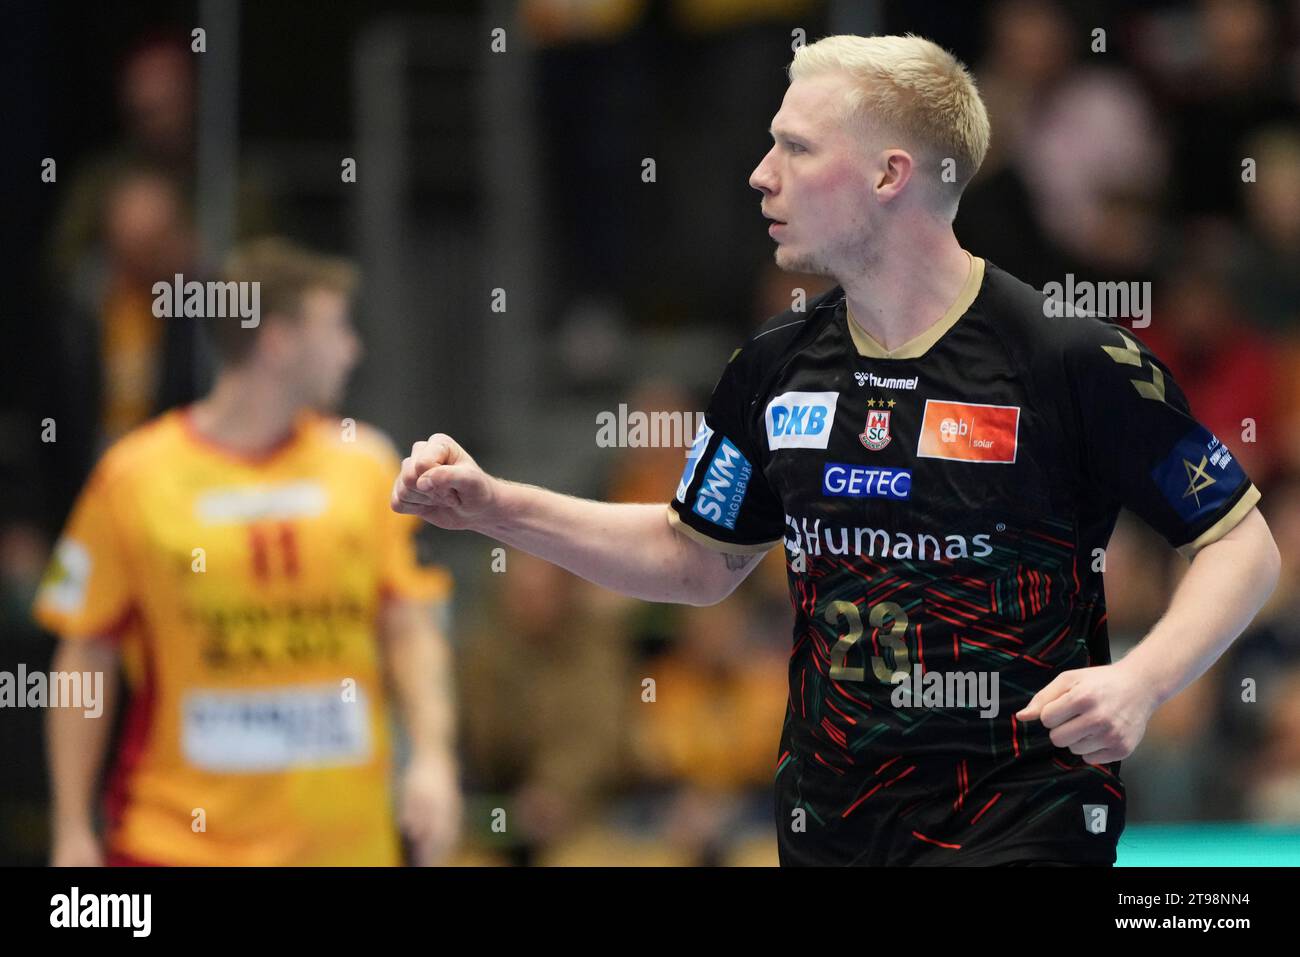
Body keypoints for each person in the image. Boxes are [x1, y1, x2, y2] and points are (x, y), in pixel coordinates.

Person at [391, 34, 1280, 866]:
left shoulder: (1067, 359)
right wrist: (497, 505)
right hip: (831, 824)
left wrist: (1144, 681)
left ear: (892, 173)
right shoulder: (776, 366)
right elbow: (695, 558)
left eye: (797, 148)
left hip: (1023, 818)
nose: (760, 174)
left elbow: (1241, 541)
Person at [37, 237, 460, 866]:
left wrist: (432, 758)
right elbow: (84, 654)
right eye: (337, 327)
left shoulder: (367, 465)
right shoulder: (133, 477)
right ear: (278, 341)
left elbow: (408, 627)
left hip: (344, 850)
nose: (353, 349)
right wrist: (71, 829)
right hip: (177, 846)